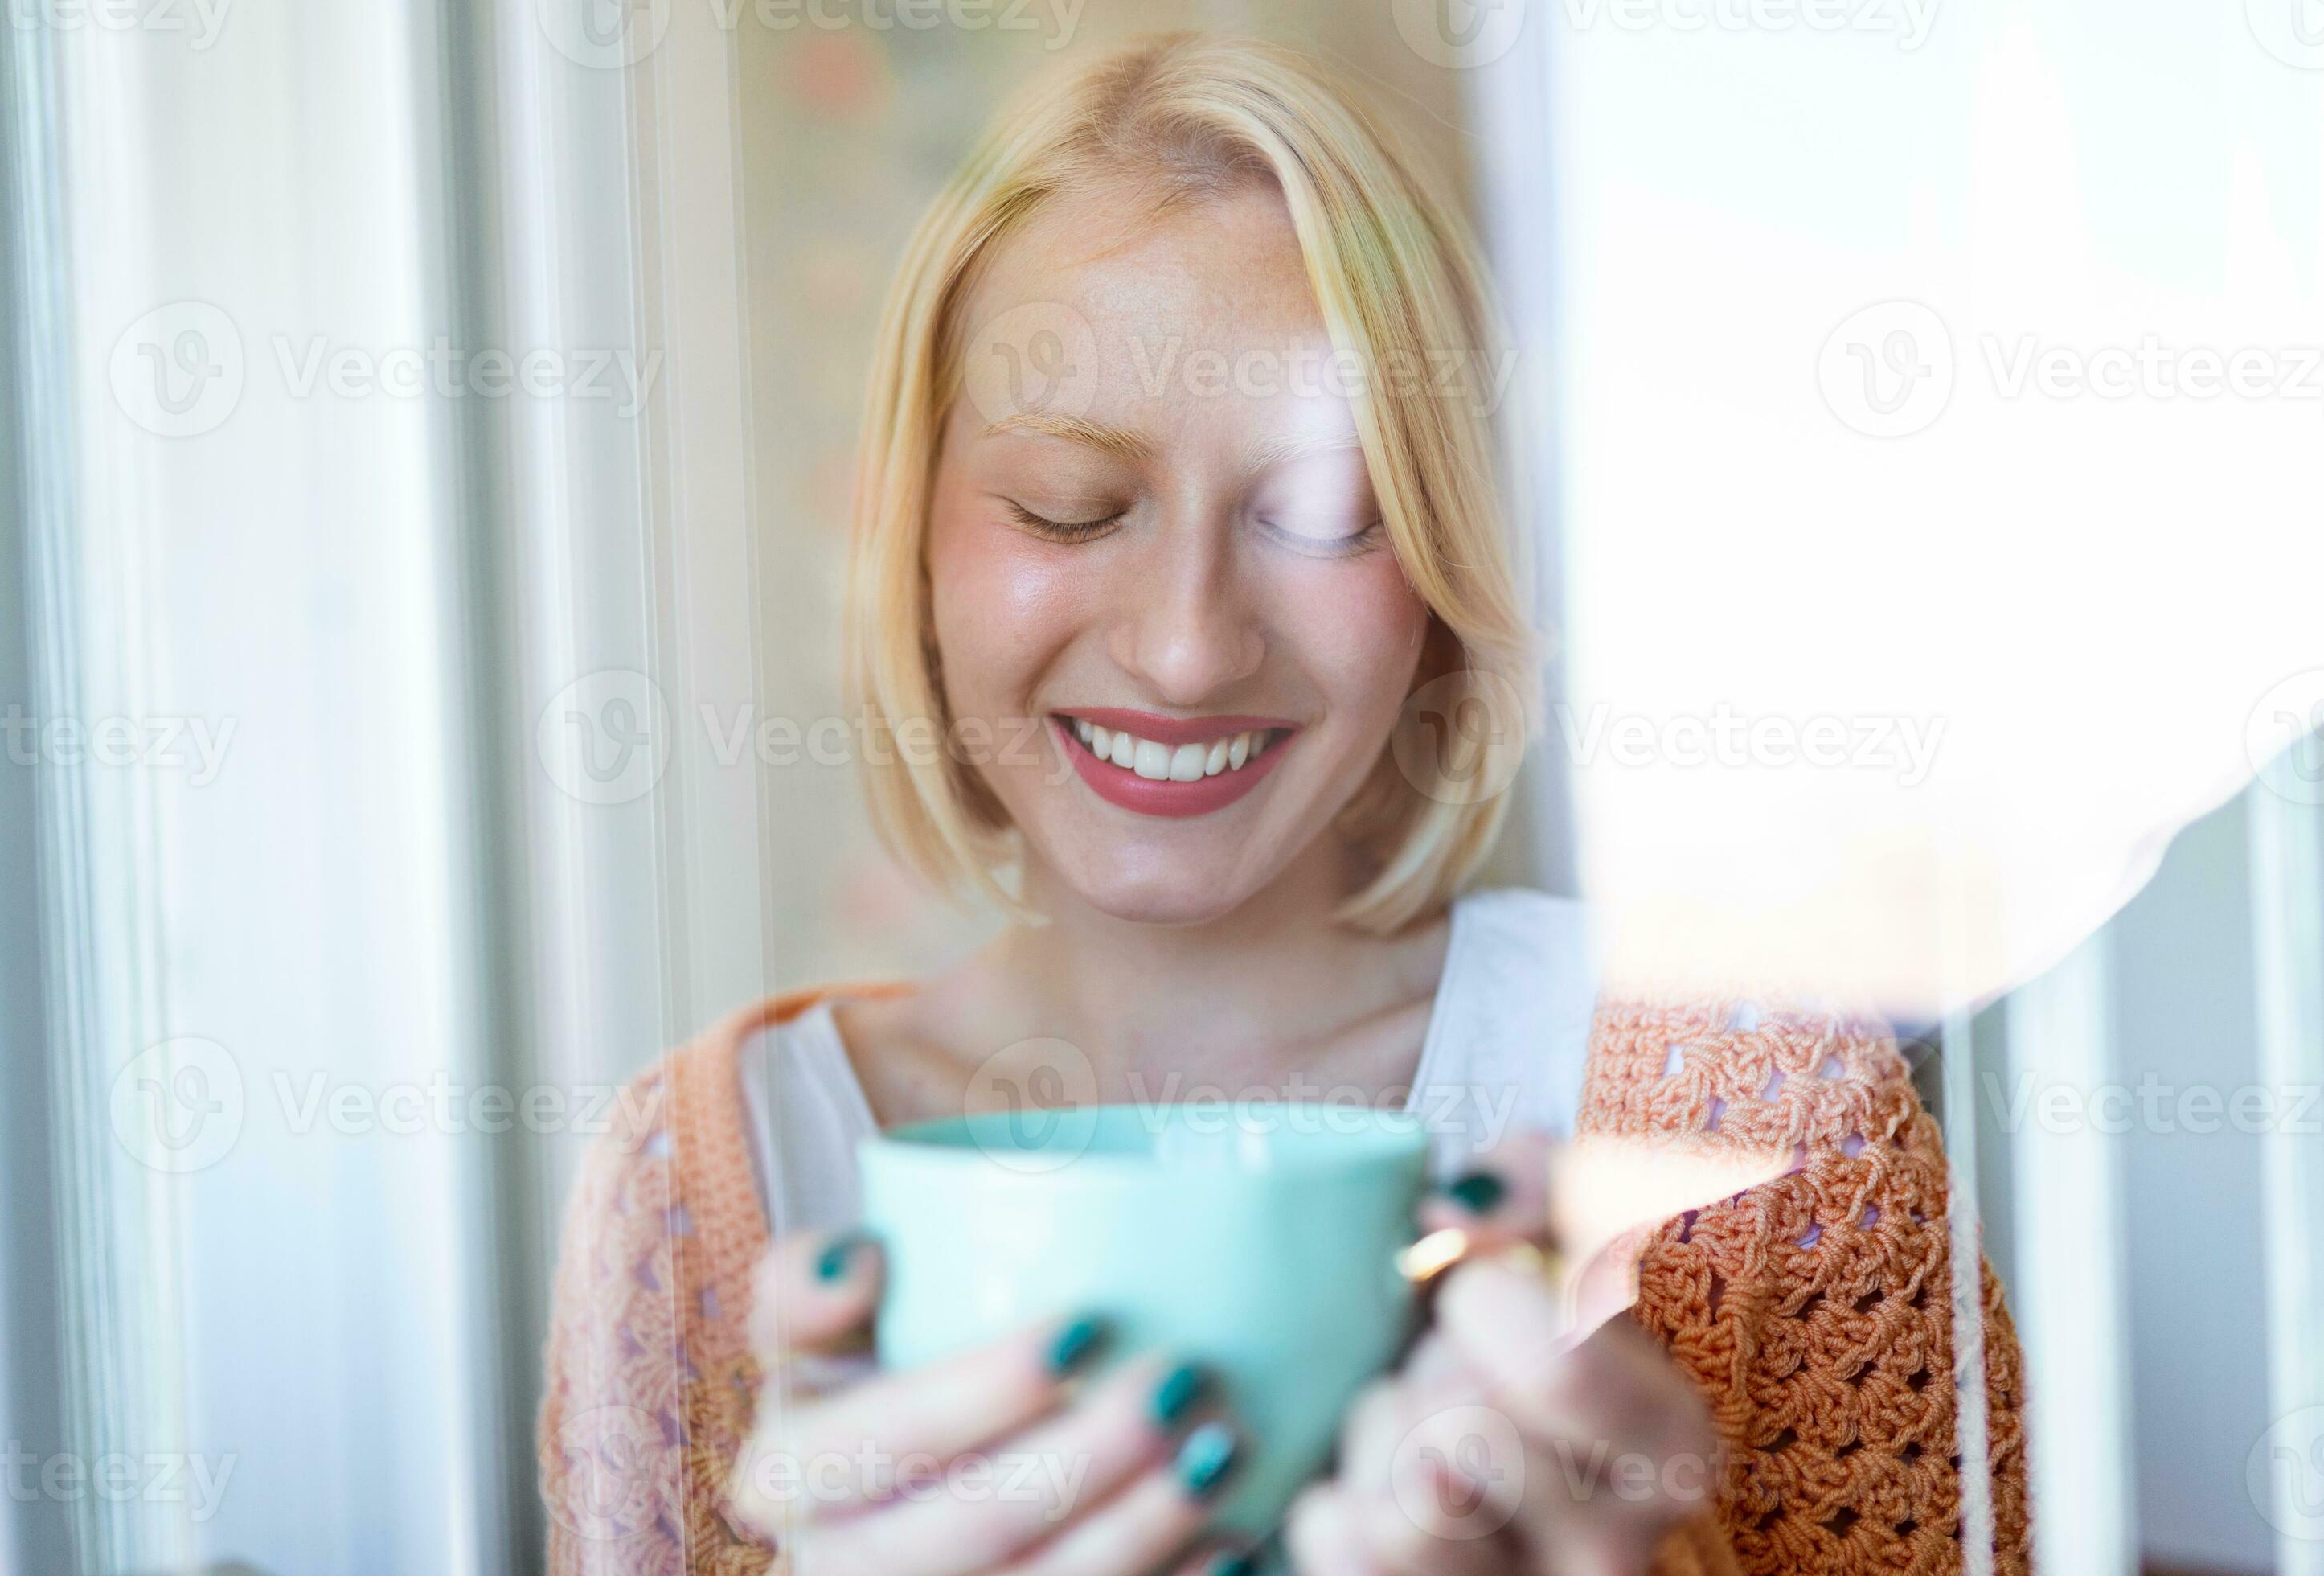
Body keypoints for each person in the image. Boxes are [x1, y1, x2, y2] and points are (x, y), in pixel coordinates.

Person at [538, 33, 2029, 1575]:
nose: (1186, 650)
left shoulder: (1764, 1124)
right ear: (917, 540)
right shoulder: (699, 1191)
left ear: (1444, 574)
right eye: (1069, 507)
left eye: (1321, 515)